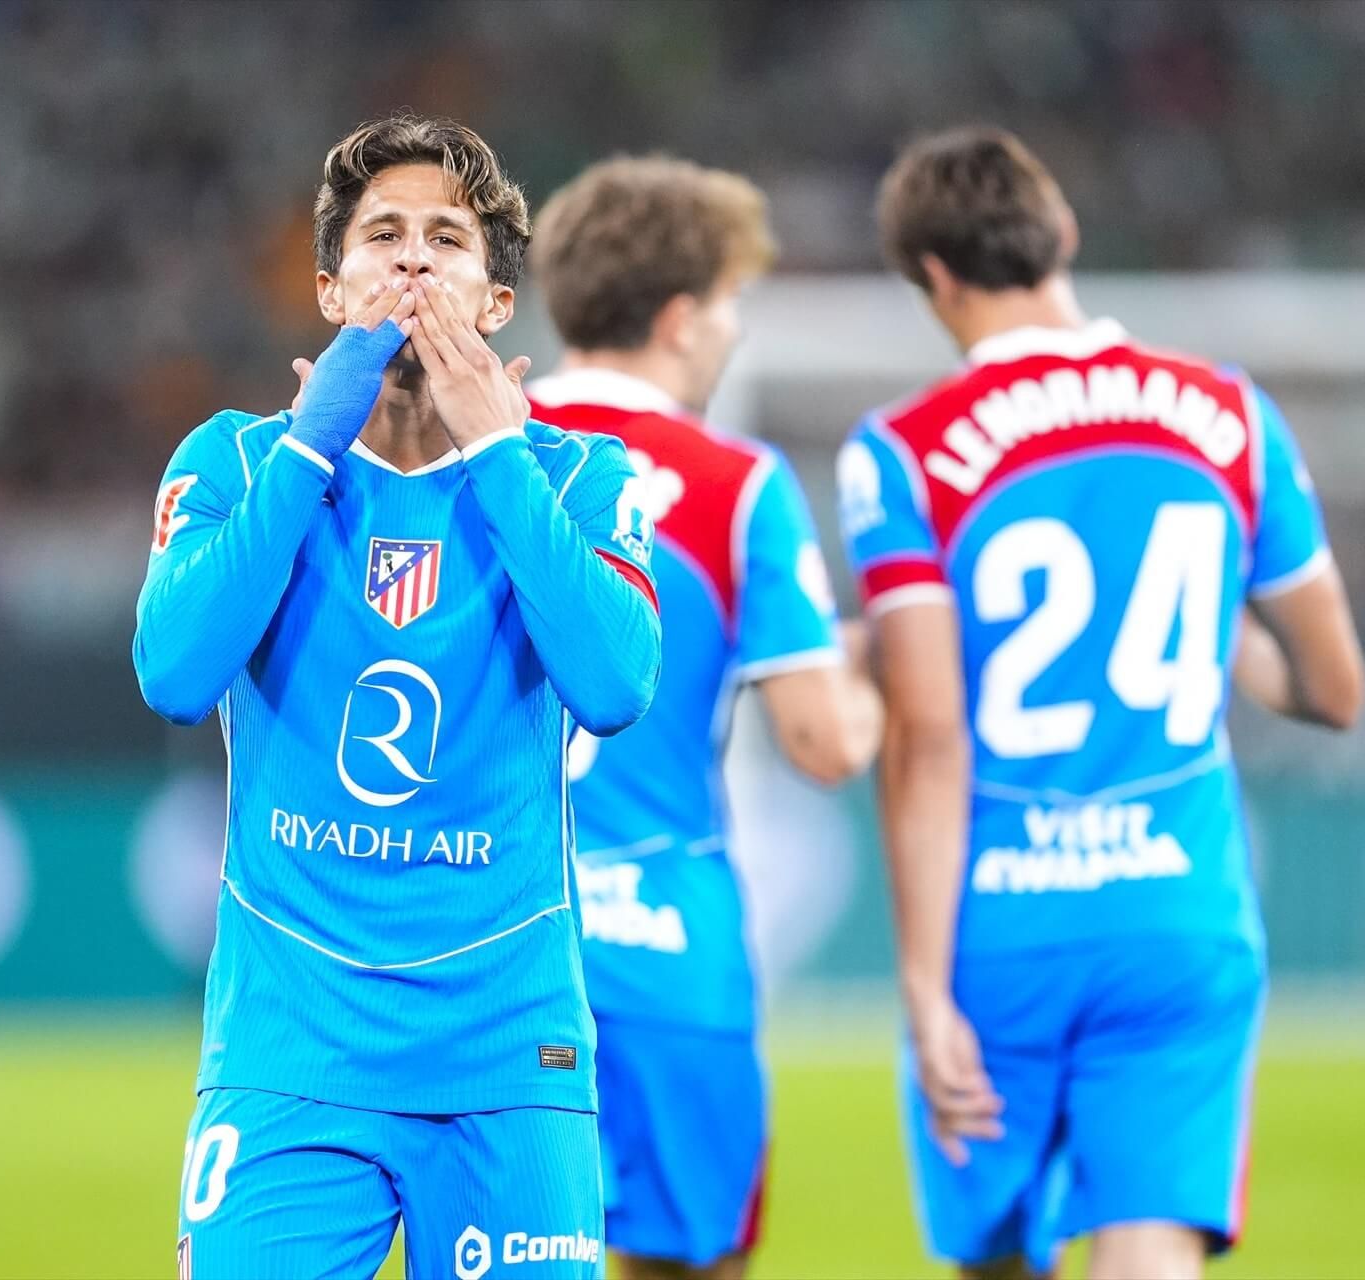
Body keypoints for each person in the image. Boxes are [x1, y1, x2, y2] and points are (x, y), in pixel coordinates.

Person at [132, 114, 662, 1280]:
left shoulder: (582, 476)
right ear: (330, 289)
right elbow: (173, 672)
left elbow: (618, 684)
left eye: (447, 239)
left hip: (508, 1056)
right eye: (383, 236)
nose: (414, 260)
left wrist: (496, 451)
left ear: (496, 300)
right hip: (291, 1048)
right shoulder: (229, 461)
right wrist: (314, 436)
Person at [840, 127, 1365, 1280]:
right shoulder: (1228, 414)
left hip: (1002, 924)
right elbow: (1335, 689)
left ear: (930, 274)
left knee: (994, 1257)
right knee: (1151, 1253)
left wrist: (924, 988)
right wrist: (1222, 635)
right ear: (1063, 234)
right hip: (1177, 913)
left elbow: (928, 740)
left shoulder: (902, 454)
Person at [526, 156, 883, 1280]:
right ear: (681, 320)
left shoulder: (466, 456)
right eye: (730, 301)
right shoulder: (735, 483)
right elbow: (823, 743)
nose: (734, 328)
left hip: (496, 937)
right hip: (665, 944)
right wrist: (877, 665)